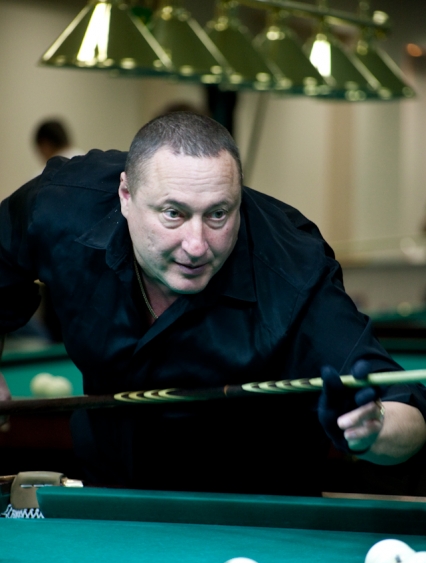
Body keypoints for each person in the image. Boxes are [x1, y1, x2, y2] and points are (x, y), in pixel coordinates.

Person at [1, 112, 426, 495]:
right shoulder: (61, 205)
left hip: (255, 511)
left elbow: (407, 410)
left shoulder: (292, 271)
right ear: (126, 195)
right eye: (173, 214)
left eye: (218, 214)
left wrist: (373, 429)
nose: (197, 245)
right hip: (109, 490)